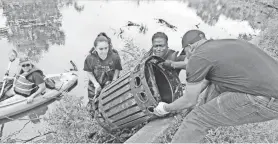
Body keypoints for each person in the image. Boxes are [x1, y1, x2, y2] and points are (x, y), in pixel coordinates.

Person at [153, 29, 278, 143]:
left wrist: (166, 108)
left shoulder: (198, 56)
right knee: (215, 86)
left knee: (196, 119)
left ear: (190, 48)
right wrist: (189, 94)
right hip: (270, 88)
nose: (187, 57)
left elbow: (190, 101)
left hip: (265, 98)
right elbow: (207, 81)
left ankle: (194, 127)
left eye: (185, 53)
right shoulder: (226, 44)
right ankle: (193, 132)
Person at [84, 32, 123, 114]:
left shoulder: (114, 55)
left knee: (111, 101)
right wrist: (95, 84)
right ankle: (93, 116)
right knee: (93, 103)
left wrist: (115, 80)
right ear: (95, 47)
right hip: (95, 83)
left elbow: (117, 68)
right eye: (101, 49)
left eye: (106, 48)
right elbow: (89, 72)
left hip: (109, 82)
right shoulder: (90, 58)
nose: (104, 51)